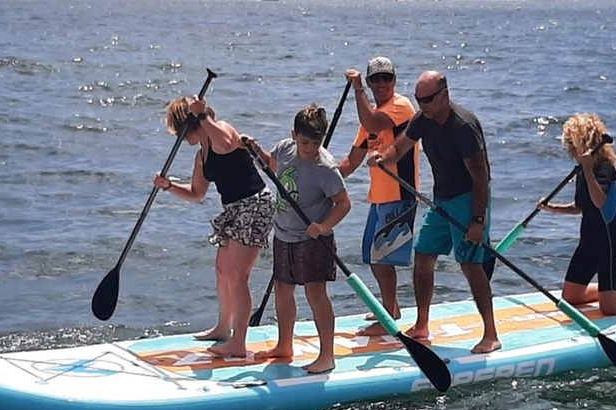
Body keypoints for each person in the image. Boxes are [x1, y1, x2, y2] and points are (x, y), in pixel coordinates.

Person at [368, 71, 501, 354]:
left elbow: (481, 178)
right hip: (442, 199)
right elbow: (401, 147)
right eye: (419, 99)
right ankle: (422, 325)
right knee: (424, 254)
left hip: (469, 201)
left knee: (470, 264)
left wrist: (478, 220)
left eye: (427, 99)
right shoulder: (423, 120)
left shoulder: (464, 126)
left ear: (444, 94)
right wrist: (384, 156)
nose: (423, 105)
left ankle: (491, 333)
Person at [153, 96, 275, 359]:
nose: (181, 138)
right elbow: (197, 193)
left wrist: (202, 116)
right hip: (234, 209)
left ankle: (239, 343)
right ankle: (223, 328)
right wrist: (169, 186)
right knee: (222, 269)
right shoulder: (202, 155)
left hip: (255, 204)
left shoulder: (223, 130)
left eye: (180, 132)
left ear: (189, 125)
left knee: (238, 275)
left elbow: (228, 142)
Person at [248, 104, 351, 374]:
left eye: (315, 142)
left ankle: (327, 355)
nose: (310, 148)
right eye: (305, 142)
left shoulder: (325, 168)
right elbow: (273, 165)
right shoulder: (284, 148)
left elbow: (343, 203)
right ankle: (284, 345)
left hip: (313, 238)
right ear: (294, 135)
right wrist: (256, 150)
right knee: (283, 289)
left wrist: (324, 226)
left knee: (315, 293)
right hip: (283, 232)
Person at [536, 113, 616, 314]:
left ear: (583, 142)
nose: (568, 147)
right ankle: (614, 288)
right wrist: (551, 208)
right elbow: (580, 207)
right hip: (588, 241)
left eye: (571, 142)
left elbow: (600, 201)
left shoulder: (604, 168)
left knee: (609, 308)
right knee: (570, 297)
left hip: (609, 243)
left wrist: (587, 170)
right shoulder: (582, 170)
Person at [337, 56, 420, 337]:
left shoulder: (400, 106)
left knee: (383, 259)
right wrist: (319, 177)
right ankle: (392, 308)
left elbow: (373, 122)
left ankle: (387, 319)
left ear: (395, 81)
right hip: (379, 197)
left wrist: (357, 89)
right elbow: (350, 163)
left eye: (387, 78)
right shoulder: (367, 120)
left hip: (400, 194)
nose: (382, 84)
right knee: (373, 258)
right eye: (376, 79)